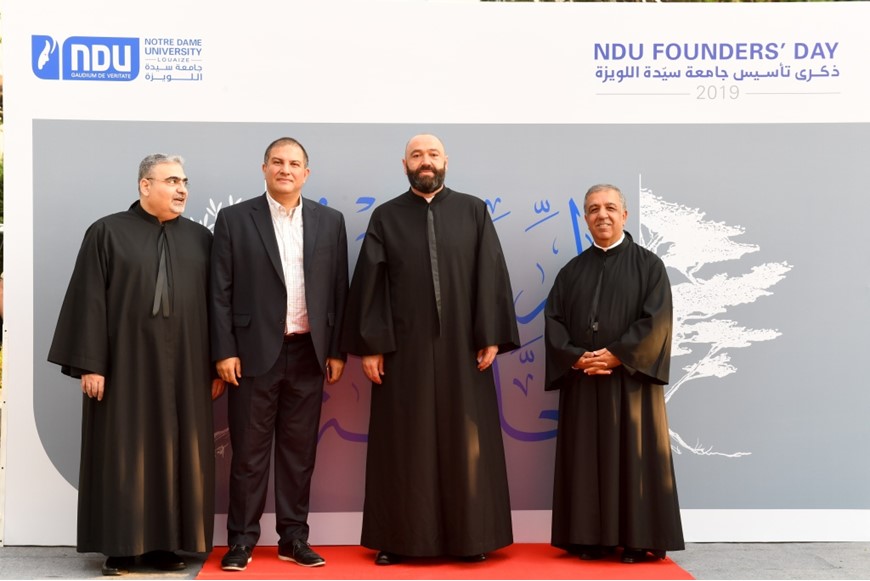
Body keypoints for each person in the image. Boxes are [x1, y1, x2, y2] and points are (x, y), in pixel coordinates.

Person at [341, 133, 520, 565]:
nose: (426, 161)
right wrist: (372, 346)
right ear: (404, 164)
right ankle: (398, 539)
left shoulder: (473, 211)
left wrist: (490, 335)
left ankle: (472, 537)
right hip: (403, 351)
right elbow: (371, 284)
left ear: (445, 161)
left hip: (464, 349)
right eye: (417, 155)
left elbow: (490, 273)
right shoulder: (386, 216)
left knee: (467, 442)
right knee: (404, 443)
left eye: (433, 154)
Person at [47, 154, 224, 576]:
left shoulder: (201, 238)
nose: (181, 189)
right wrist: (91, 364)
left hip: (186, 370)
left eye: (184, 182)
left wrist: (214, 365)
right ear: (145, 185)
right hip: (124, 368)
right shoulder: (106, 232)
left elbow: (218, 306)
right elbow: (89, 299)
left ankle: (167, 545)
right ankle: (122, 548)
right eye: (172, 181)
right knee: (125, 453)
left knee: (180, 454)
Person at [209, 137, 349, 571]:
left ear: (306, 173)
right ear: (264, 168)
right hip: (252, 355)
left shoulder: (330, 221)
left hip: (310, 352)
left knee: (298, 455)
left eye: (293, 163)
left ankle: (293, 538)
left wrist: (337, 350)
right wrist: (224, 351)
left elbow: (339, 289)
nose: (285, 169)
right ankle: (241, 541)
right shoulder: (234, 219)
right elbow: (219, 292)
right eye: (277, 162)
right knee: (249, 455)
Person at [544, 184, 685, 563]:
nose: (601, 215)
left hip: (631, 385)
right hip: (583, 382)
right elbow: (554, 321)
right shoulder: (571, 272)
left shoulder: (649, 266)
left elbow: (657, 321)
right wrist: (576, 358)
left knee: (633, 458)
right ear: (585, 218)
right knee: (586, 461)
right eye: (593, 209)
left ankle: (637, 540)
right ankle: (590, 539)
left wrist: (617, 355)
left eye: (609, 207)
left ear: (624, 215)